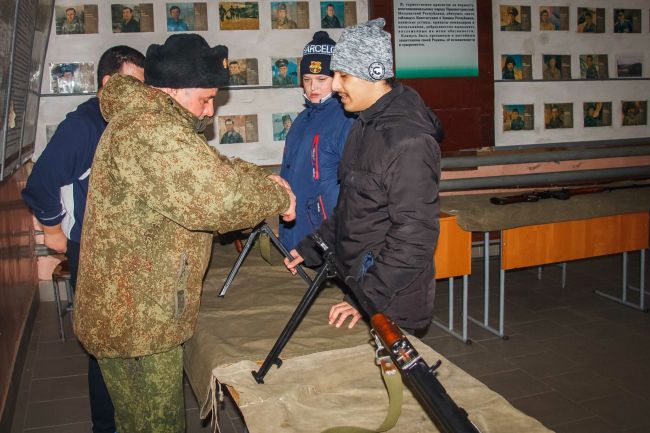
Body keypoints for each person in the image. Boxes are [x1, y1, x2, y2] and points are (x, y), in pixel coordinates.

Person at [73, 34, 296, 432]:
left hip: (136, 311)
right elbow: (217, 199)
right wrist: (276, 198)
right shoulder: (150, 131)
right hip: (137, 321)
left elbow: (214, 166)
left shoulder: (158, 123)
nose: (210, 110)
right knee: (157, 425)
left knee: (138, 423)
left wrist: (266, 181)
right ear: (174, 89)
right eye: (205, 99)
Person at [285, 19, 444, 335]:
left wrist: (367, 296)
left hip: (392, 300)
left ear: (374, 73)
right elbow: (350, 209)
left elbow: (415, 235)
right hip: (362, 283)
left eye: (343, 75)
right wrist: (313, 246)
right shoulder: (362, 125)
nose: (335, 85)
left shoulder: (408, 141)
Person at [22, 45, 146, 433]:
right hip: (93, 254)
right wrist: (54, 233)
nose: (141, 94)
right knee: (105, 348)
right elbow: (40, 183)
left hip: (124, 250)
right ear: (109, 83)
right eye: (134, 84)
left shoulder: (124, 121)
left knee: (129, 341)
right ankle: (107, 427)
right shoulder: (85, 125)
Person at [279, 31, 354, 251]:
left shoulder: (347, 118)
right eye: (307, 79)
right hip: (295, 228)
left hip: (324, 232)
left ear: (337, 79)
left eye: (322, 79)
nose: (313, 87)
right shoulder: (302, 118)